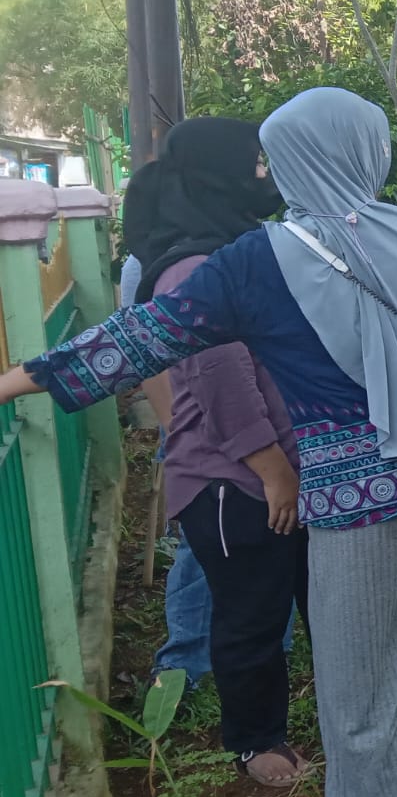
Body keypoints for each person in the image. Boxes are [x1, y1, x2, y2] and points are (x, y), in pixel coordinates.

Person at [0, 88, 397, 797]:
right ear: (371, 153)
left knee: (358, 657)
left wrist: (12, 381)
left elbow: (136, 342)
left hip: (360, 491)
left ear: (292, 163)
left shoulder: (250, 263)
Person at [120, 117, 311, 787]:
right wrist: (272, 469)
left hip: (268, 467)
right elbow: (221, 378)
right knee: (250, 614)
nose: (264, 178)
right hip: (237, 480)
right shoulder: (192, 266)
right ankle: (255, 742)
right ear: (217, 174)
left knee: (283, 599)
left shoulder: (234, 248)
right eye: (254, 166)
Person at [123, 253, 297, 691]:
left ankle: (268, 649)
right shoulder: (178, 264)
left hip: (255, 430)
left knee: (266, 552)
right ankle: (184, 667)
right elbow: (155, 360)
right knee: (212, 549)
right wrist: (177, 431)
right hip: (217, 434)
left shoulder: (235, 249)